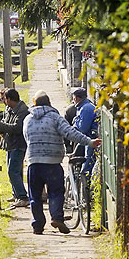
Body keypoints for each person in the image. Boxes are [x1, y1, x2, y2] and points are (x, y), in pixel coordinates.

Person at [23, 90, 101, 235]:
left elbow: (26, 138)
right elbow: (71, 133)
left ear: (35, 103)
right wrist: (90, 142)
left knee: (35, 195)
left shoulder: (27, 119)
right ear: (49, 103)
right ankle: (57, 217)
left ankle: (38, 225)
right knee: (56, 191)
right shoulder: (55, 118)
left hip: (33, 162)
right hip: (52, 162)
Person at [0, 88, 30, 209]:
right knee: (15, 171)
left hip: (18, 144)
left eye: (5, 99)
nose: (4, 101)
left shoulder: (23, 111)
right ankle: (16, 194)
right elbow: (5, 124)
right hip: (10, 143)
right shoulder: (9, 109)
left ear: (9, 99)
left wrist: (1, 125)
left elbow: (17, 128)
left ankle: (23, 197)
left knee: (12, 171)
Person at [71, 87, 99, 175]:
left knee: (88, 162)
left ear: (76, 98)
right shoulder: (84, 107)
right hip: (88, 138)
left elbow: (83, 128)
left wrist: (75, 121)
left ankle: (86, 183)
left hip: (91, 139)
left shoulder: (86, 108)